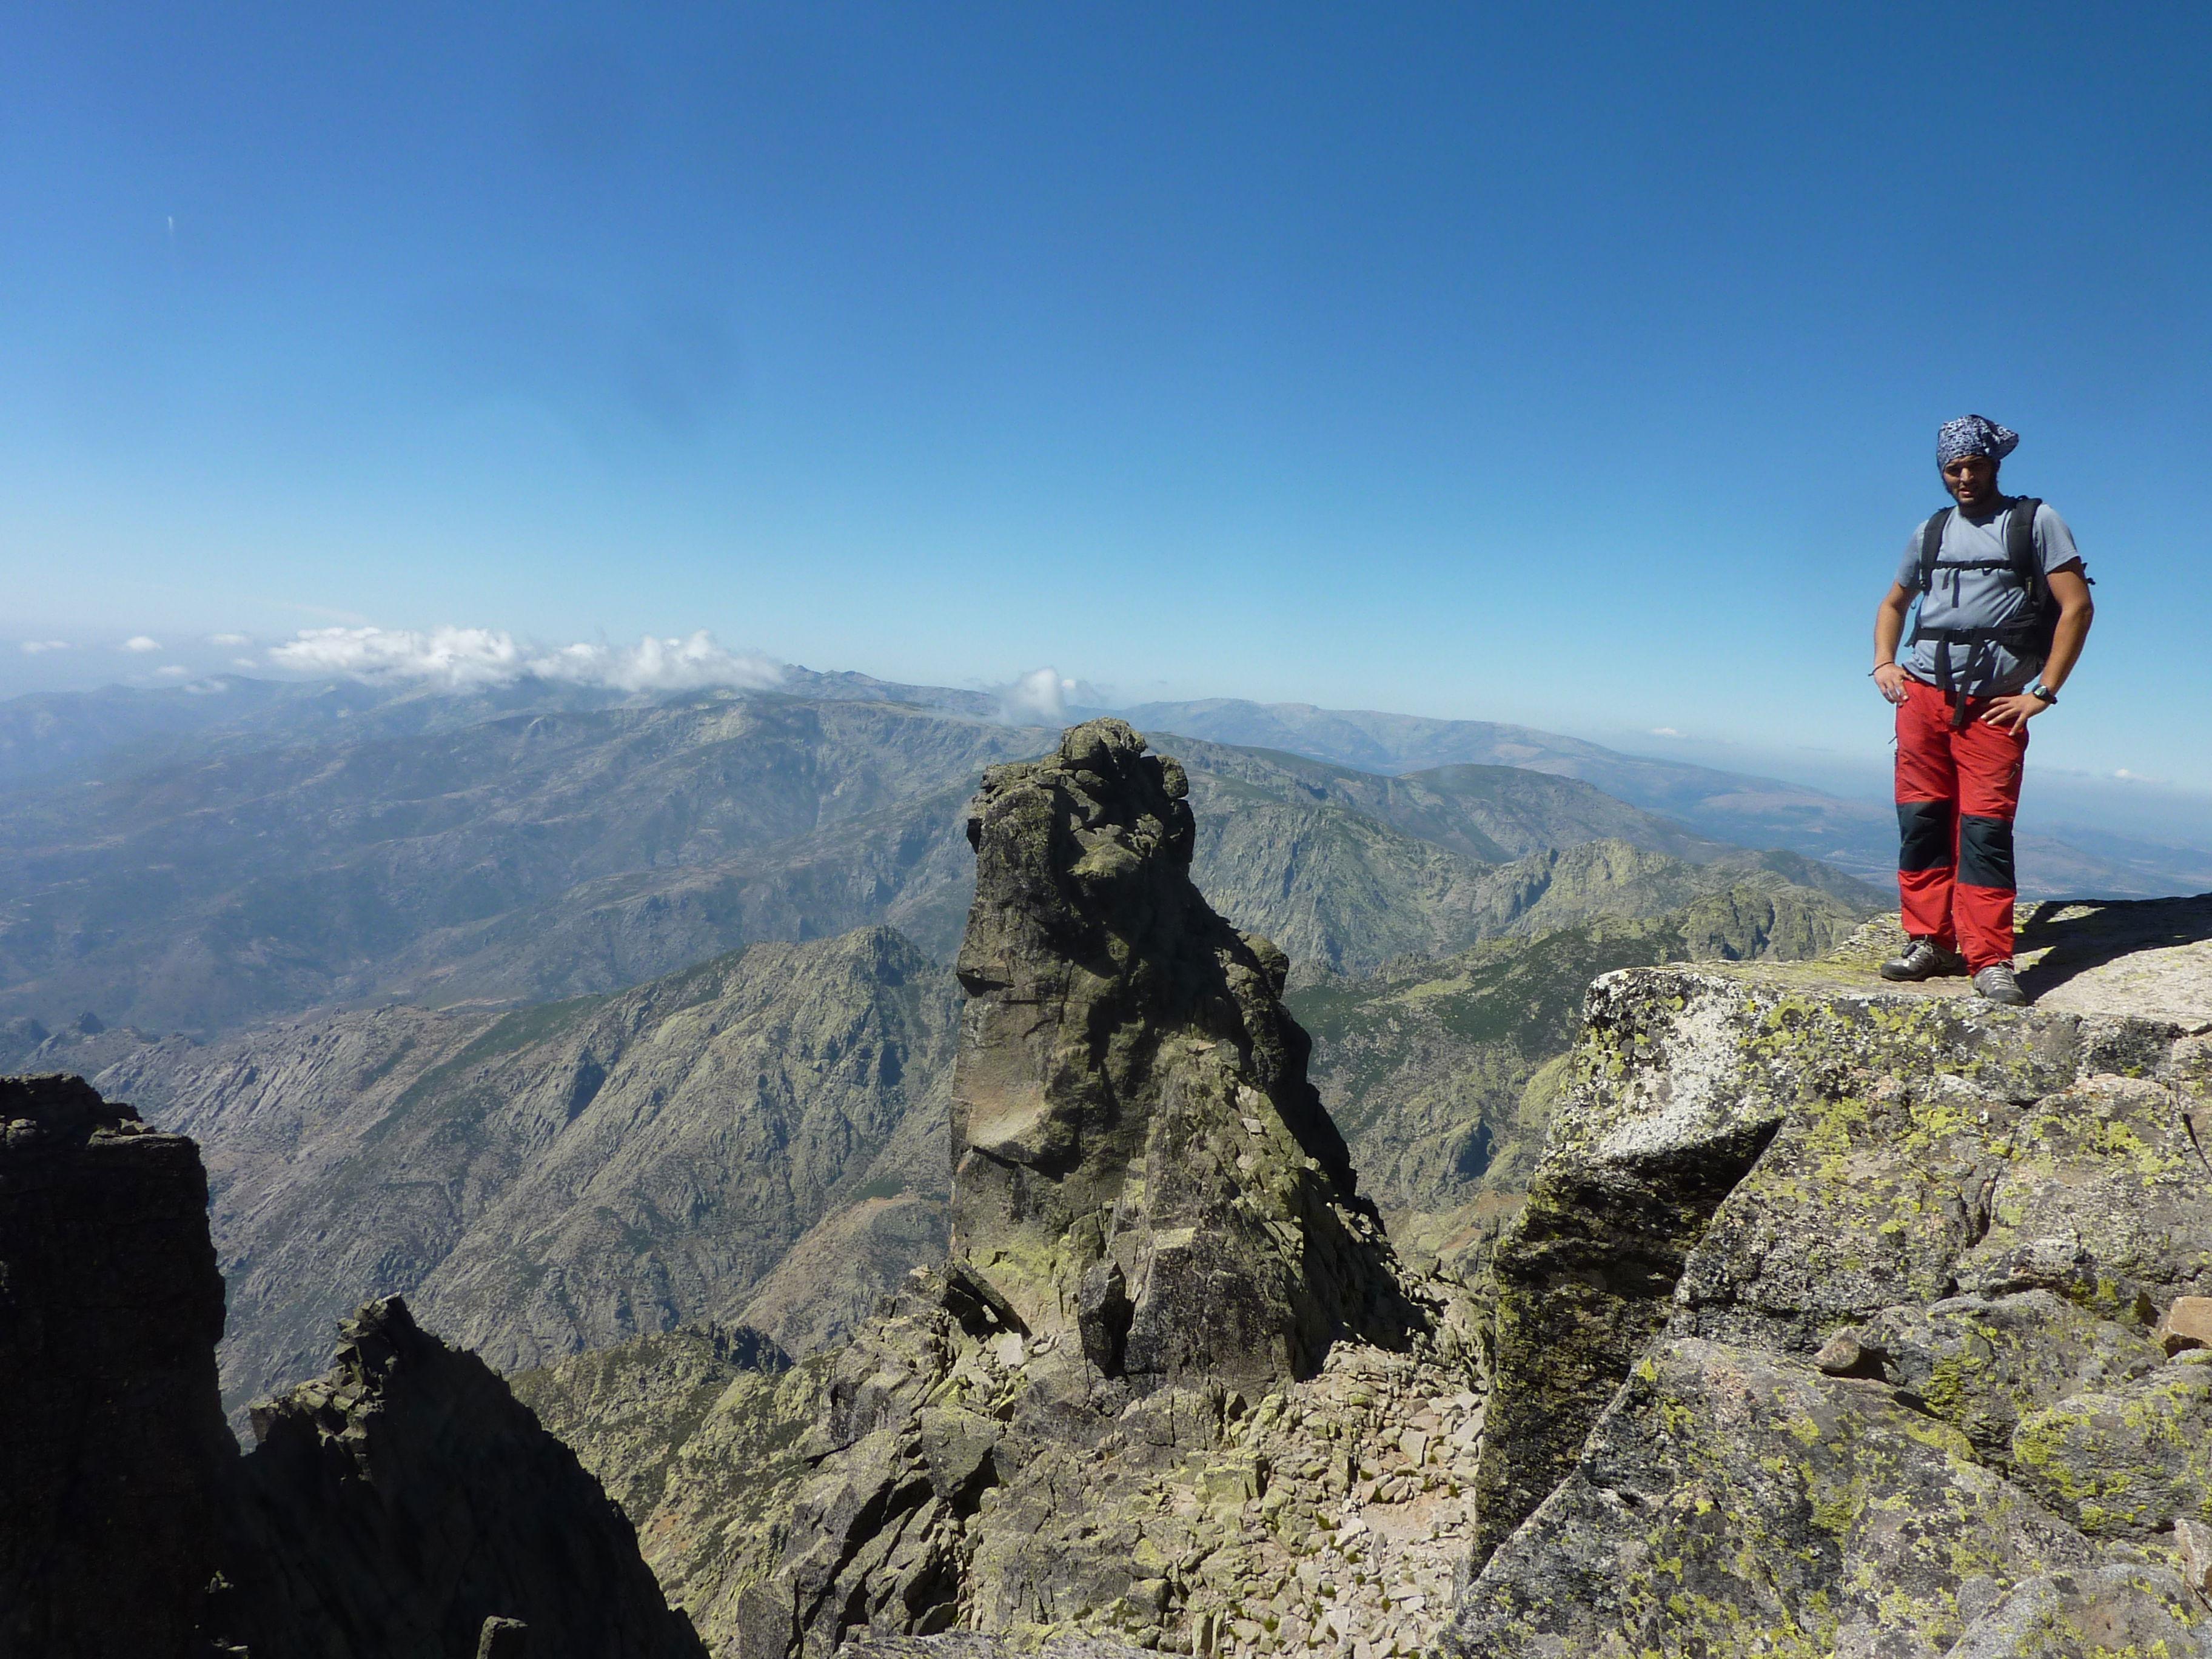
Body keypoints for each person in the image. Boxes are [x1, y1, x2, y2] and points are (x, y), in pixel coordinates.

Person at [1869, 417, 2093, 1004]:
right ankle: (1931, 939)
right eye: (1953, 467)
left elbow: (2077, 607)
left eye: (1974, 465)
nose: (1964, 477)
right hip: (1921, 699)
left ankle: (1988, 957)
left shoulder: (2035, 523)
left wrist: (2042, 692)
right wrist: (1883, 663)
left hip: (1994, 707)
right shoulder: (1931, 533)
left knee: (1985, 830)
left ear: (1994, 464)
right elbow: (1894, 603)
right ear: (1942, 471)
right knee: (1922, 825)